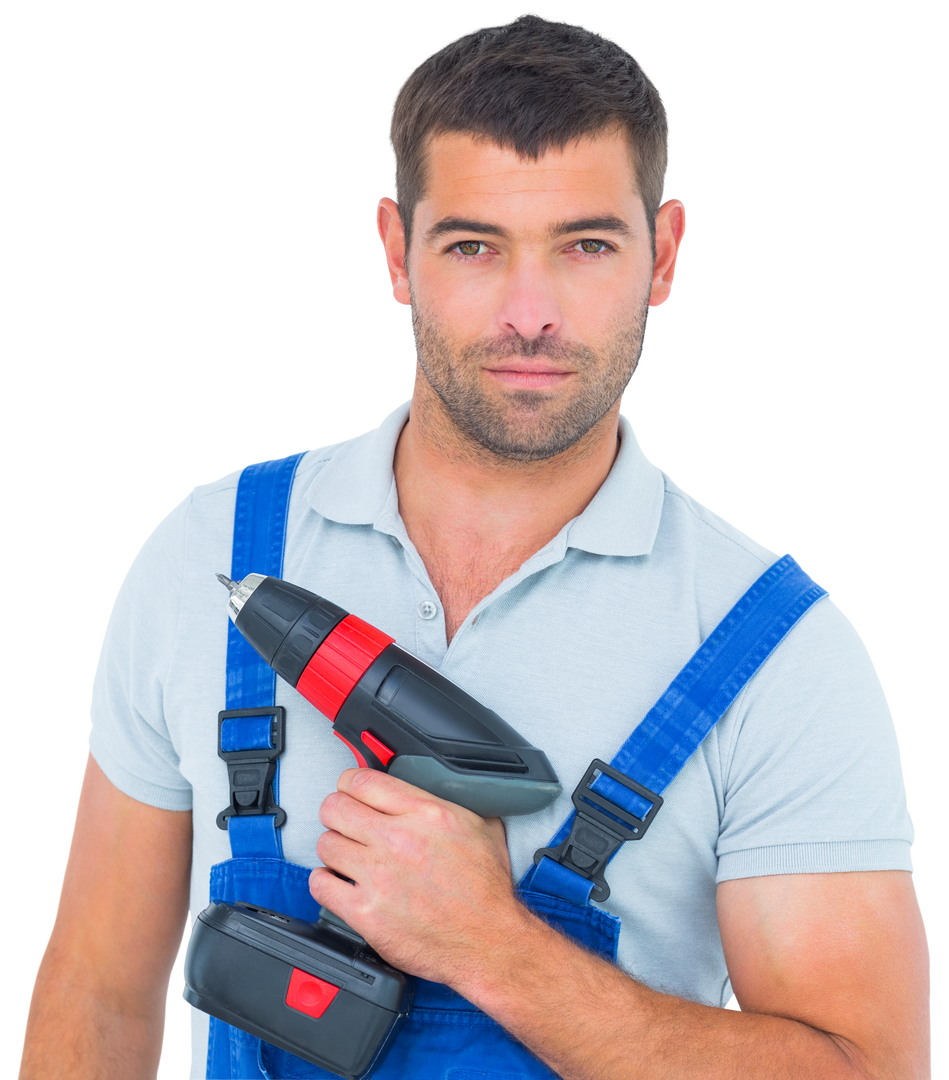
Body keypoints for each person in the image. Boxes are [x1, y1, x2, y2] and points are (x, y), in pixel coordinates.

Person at [20, 12, 930, 1080]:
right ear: (397, 252)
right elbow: (96, 1000)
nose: (530, 313)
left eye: (585, 245)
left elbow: (867, 1072)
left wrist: (491, 944)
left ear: (664, 255)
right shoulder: (203, 552)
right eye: (474, 246)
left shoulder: (777, 651)